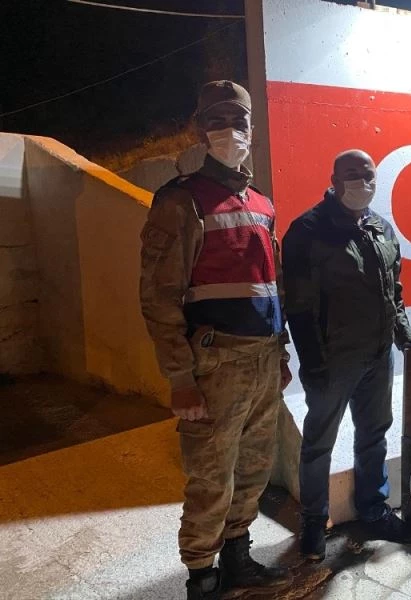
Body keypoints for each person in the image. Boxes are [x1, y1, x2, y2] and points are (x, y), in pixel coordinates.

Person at [139, 80, 293, 600]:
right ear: (200, 129)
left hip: (263, 360)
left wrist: (281, 353)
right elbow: (158, 298)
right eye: (217, 120)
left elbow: (271, 286)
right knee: (210, 477)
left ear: (251, 127)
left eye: (238, 120)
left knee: (253, 467)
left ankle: (238, 559)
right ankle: (202, 580)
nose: (230, 130)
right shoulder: (180, 200)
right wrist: (180, 378)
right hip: (216, 366)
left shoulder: (262, 203)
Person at [282, 149, 411, 560]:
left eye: (368, 173)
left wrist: (404, 334)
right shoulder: (307, 231)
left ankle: (373, 510)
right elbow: (298, 307)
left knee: (374, 433)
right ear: (334, 179)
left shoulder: (381, 228)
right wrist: (312, 362)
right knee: (319, 441)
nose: (362, 181)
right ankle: (313, 522)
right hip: (332, 359)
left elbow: (393, 291)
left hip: (378, 354)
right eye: (351, 173)